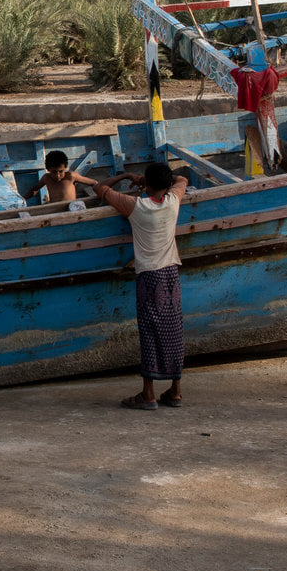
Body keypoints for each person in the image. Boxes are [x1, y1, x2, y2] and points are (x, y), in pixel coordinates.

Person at [75, 161, 189, 410]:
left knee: (149, 333)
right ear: (167, 185)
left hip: (149, 276)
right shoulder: (173, 201)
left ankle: (149, 393)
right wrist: (155, 181)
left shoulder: (136, 206)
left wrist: (127, 175)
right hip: (171, 273)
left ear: (146, 184)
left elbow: (100, 188)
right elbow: (183, 181)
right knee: (173, 332)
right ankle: (175, 391)